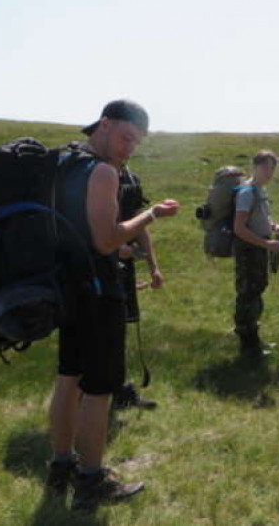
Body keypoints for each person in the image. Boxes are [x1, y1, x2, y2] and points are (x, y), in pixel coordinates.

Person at [45, 100, 180, 512]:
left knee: (68, 376)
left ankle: (61, 465)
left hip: (66, 287)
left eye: (136, 143)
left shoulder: (66, 163)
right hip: (98, 290)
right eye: (125, 137)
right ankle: (91, 479)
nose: (129, 149)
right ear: (103, 124)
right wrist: (151, 215)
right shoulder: (102, 171)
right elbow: (105, 239)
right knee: (99, 390)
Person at [112, 166, 161, 410]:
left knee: (118, 327)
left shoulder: (131, 179)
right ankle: (97, 392)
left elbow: (140, 226)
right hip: (95, 268)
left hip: (123, 267)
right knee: (102, 330)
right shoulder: (91, 173)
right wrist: (113, 249)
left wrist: (154, 266)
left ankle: (117, 391)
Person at [232, 149, 279, 359]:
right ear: (254, 167)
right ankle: (248, 345)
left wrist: (274, 226)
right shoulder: (247, 192)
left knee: (257, 291)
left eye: (272, 168)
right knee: (248, 294)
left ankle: (253, 338)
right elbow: (239, 228)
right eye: (265, 167)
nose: (269, 172)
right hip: (248, 252)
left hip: (258, 250)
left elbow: (259, 218)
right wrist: (266, 243)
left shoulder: (260, 191)